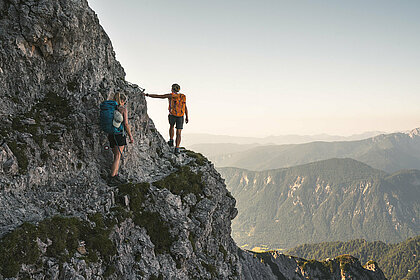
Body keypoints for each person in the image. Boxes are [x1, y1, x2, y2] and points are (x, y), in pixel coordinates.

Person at [145, 84, 188, 154]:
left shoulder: (171, 95)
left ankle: (171, 141)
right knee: (179, 132)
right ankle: (177, 148)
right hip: (181, 116)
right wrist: (187, 116)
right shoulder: (182, 96)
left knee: (171, 126)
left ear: (172, 89)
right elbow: (185, 107)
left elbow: (159, 96)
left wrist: (147, 95)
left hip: (172, 115)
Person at [108, 92, 134, 182]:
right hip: (119, 134)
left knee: (115, 155)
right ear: (122, 101)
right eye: (124, 102)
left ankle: (115, 175)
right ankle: (112, 178)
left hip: (111, 134)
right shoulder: (123, 109)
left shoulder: (110, 108)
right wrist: (130, 136)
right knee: (117, 157)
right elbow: (126, 124)